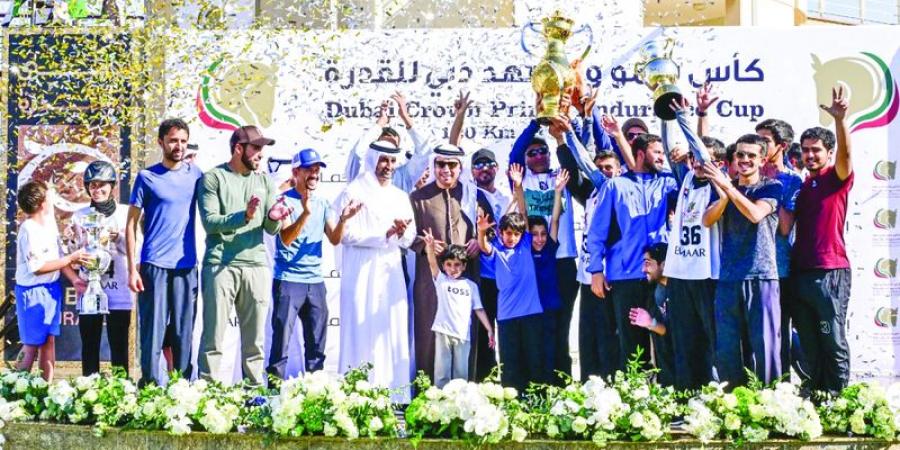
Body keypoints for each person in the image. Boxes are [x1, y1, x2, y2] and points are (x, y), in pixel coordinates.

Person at [197, 125, 291, 386]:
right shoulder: (213, 178)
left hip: (256, 265)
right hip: (220, 265)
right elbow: (210, 222)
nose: (261, 154)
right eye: (256, 148)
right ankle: (208, 396)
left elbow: (272, 230)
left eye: (262, 148)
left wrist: (274, 218)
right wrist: (245, 216)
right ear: (239, 149)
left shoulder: (263, 181)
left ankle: (254, 395)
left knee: (255, 340)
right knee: (214, 337)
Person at [267, 148, 362, 378]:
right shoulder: (283, 201)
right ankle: (273, 398)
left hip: (316, 282)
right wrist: (304, 214)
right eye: (309, 169)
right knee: (281, 344)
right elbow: (286, 239)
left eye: (317, 170)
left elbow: (335, 239)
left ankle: (314, 395)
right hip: (288, 281)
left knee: (317, 347)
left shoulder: (322, 202)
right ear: (296, 172)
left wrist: (343, 220)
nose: (314, 174)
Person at [334, 139, 417, 403]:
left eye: (393, 161)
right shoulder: (353, 191)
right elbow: (344, 234)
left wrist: (401, 233)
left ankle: (393, 397)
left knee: (390, 327)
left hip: (391, 270)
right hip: (361, 270)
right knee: (361, 327)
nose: (388, 166)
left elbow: (410, 237)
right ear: (372, 160)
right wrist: (384, 234)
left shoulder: (400, 196)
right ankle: (357, 396)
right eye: (383, 160)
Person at [587, 134, 679, 368]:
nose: (661, 157)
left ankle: (671, 394)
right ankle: (634, 396)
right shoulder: (615, 186)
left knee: (668, 336)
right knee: (632, 347)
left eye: (662, 152)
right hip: (626, 276)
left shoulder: (668, 183)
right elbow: (597, 233)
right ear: (639, 153)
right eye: (656, 152)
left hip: (662, 277)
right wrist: (596, 270)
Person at [785, 86, 854, 394]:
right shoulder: (802, 185)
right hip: (799, 273)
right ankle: (817, 397)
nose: (810, 155)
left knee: (832, 338)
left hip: (830, 272)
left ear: (828, 152)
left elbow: (846, 155)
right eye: (805, 150)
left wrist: (840, 121)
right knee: (809, 341)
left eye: (816, 150)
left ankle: (839, 401)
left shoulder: (835, 178)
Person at [126, 118, 203, 386]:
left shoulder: (196, 175)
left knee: (183, 332)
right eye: (173, 140)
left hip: (186, 265)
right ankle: (149, 387)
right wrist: (132, 269)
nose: (178, 146)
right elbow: (131, 223)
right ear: (161, 142)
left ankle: (181, 389)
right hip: (153, 265)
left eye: (183, 141)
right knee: (153, 332)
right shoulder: (146, 177)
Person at [702, 134, 783, 387]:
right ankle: (732, 406)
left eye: (751, 155)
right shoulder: (726, 188)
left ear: (761, 159)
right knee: (727, 348)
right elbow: (707, 220)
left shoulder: (772, 187)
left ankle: (772, 403)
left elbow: (756, 214)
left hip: (761, 276)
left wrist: (727, 189)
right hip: (728, 278)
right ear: (733, 159)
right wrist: (726, 193)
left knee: (766, 347)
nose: (745, 160)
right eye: (740, 155)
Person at [409, 142, 478, 381]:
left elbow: (489, 227)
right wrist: (424, 244)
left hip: (465, 278)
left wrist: (479, 241)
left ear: (460, 168)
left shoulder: (471, 194)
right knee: (429, 332)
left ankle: (464, 394)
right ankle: (428, 394)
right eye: (440, 164)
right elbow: (407, 235)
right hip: (431, 279)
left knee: (464, 334)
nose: (445, 169)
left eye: (451, 164)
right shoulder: (418, 198)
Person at [476, 170, 544, 394]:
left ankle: (535, 400)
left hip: (531, 313)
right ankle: (512, 401)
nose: (511, 238)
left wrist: (518, 186)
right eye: (506, 233)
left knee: (534, 359)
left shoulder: (526, 243)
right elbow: (484, 246)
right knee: (510, 363)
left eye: (515, 234)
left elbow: (522, 213)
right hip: (506, 316)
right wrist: (481, 231)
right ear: (500, 233)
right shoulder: (496, 250)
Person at [15, 180, 87, 381]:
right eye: (48, 196)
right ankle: (15, 389)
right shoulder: (28, 229)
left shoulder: (49, 224)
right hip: (32, 292)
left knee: (49, 341)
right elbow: (38, 268)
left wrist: (74, 280)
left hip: (51, 290)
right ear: (41, 203)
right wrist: (72, 259)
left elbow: (58, 258)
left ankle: (45, 389)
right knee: (31, 345)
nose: (51, 199)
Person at [71, 160, 132, 376]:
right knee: (89, 343)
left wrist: (119, 237)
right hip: (90, 289)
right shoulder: (79, 216)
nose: (97, 190)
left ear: (112, 185)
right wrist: (79, 255)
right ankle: (90, 390)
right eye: (92, 185)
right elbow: (72, 252)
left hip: (119, 287)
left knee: (119, 344)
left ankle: (121, 392)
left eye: (101, 185)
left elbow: (137, 250)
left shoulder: (126, 213)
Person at [756, 118, 804, 378]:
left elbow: (785, 227)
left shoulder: (792, 181)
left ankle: (780, 389)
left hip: (779, 268)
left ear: (782, 146)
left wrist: (772, 188)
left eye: (765, 141)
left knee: (777, 333)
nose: (759, 147)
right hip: (748, 268)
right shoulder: (748, 172)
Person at [420, 232, 494, 388]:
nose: (453, 269)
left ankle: (459, 403)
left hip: (462, 333)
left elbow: (479, 309)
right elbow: (432, 262)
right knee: (442, 372)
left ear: (464, 266)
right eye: (448, 264)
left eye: (457, 265)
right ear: (444, 265)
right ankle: (440, 402)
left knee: (461, 373)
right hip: (443, 331)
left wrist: (489, 329)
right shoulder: (441, 280)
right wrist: (430, 246)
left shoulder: (470, 286)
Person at [520, 164, 568, 383]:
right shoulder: (525, 248)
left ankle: (550, 387)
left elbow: (555, 219)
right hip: (531, 308)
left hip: (550, 307)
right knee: (532, 350)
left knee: (550, 349)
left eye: (542, 234)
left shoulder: (550, 246)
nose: (539, 238)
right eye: (535, 234)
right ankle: (534, 387)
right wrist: (518, 186)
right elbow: (522, 213)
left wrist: (558, 191)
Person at [469, 148, 510, 381]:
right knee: (485, 332)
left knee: (508, 330)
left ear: (496, 168)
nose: (484, 169)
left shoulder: (506, 198)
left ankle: (510, 379)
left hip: (505, 274)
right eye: (478, 164)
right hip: (482, 275)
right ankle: (486, 380)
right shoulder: (468, 196)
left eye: (488, 164)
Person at [629, 243, 674, 386]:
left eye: (648, 263)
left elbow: (677, 331)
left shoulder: (681, 292)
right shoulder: (653, 293)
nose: (643, 269)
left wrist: (650, 323)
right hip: (665, 374)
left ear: (664, 264)